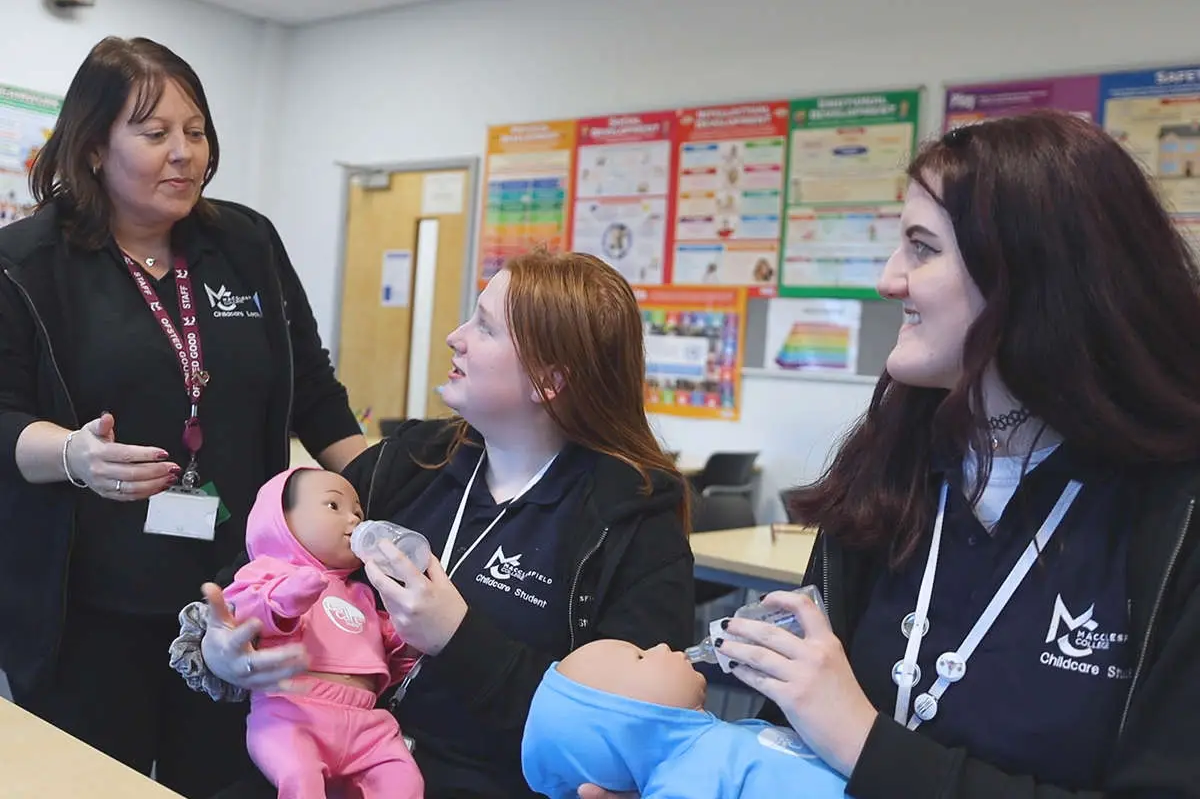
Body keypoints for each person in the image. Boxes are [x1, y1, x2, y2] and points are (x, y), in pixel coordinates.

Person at [666, 110, 1200, 799]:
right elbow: (790, 742)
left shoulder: (1174, 518)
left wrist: (863, 740)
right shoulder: (888, 469)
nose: (890, 280)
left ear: (1032, 272)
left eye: (921, 247)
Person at [170, 248, 697, 798]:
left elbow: (623, 733)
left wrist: (458, 637)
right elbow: (257, 570)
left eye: (486, 328)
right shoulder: (414, 458)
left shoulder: (632, 517)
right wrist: (221, 651)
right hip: (317, 768)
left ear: (549, 380)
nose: (455, 336)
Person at [0, 36, 365, 798]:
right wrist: (73, 455)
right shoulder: (27, 263)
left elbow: (314, 393)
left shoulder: (245, 244)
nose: (184, 154)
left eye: (195, 131)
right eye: (155, 132)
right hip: (85, 614)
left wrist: (388, 489)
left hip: (243, 601)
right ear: (95, 147)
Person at [224, 467, 422, 798]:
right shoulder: (269, 570)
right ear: (281, 519)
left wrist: (407, 636)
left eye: (358, 512)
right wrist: (284, 598)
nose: (354, 520)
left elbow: (388, 650)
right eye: (334, 506)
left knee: (405, 780)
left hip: (366, 721)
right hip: (291, 712)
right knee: (301, 778)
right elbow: (240, 608)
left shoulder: (363, 594)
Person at [521, 639, 847, 798]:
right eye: (641, 656)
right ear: (631, 717)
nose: (662, 646)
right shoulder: (681, 781)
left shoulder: (725, 736)